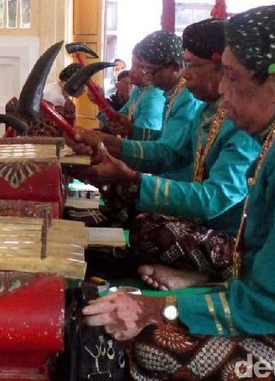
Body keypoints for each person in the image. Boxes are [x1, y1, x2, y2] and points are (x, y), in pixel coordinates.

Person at [82, 5, 275, 379]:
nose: (221, 89)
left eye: (231, 76)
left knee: (148, 348)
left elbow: (272, 303)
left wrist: (159, 309)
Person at [70, 18, 260, 290]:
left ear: (227, 70)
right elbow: (169, 151)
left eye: (192, 65)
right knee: (138, 217)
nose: (185, 75)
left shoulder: (244, 119)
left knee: (150, 231)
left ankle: (210, 274)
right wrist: (106, 143)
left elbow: (215, 199)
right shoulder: (207, 110)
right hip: (200, 219)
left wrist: (133, 178)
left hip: (234, 237)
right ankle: (186, 269)